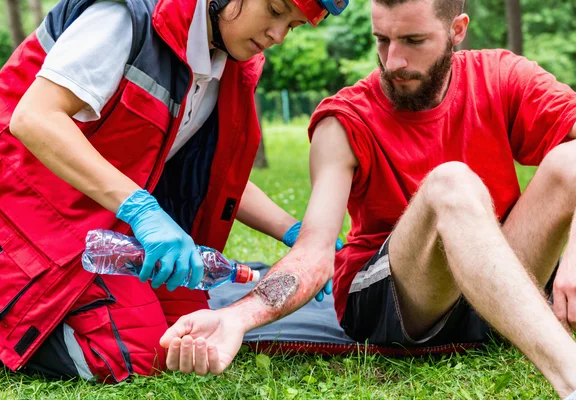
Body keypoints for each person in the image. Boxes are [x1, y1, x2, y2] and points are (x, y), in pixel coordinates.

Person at [160, 0, 576, 398]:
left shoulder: (502, 75)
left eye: (413, 41)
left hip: (497, 291)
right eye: (382, 40)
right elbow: (314, 254)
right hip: (396, 301)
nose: (394, 60)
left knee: (567, 159)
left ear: (457, 31)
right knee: (452, 182)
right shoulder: (344, 121)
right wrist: (235, 318)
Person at [0, 0, 347, 383]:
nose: (278, 35)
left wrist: (296, 234)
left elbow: (214, 176)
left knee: (188, 329)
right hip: (17, 216)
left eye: (295, 26)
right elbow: (34, 117)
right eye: (274, 9)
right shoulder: (125, 17)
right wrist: (142, 211)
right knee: (136, 353)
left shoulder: (226, 61)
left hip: (102, 227)